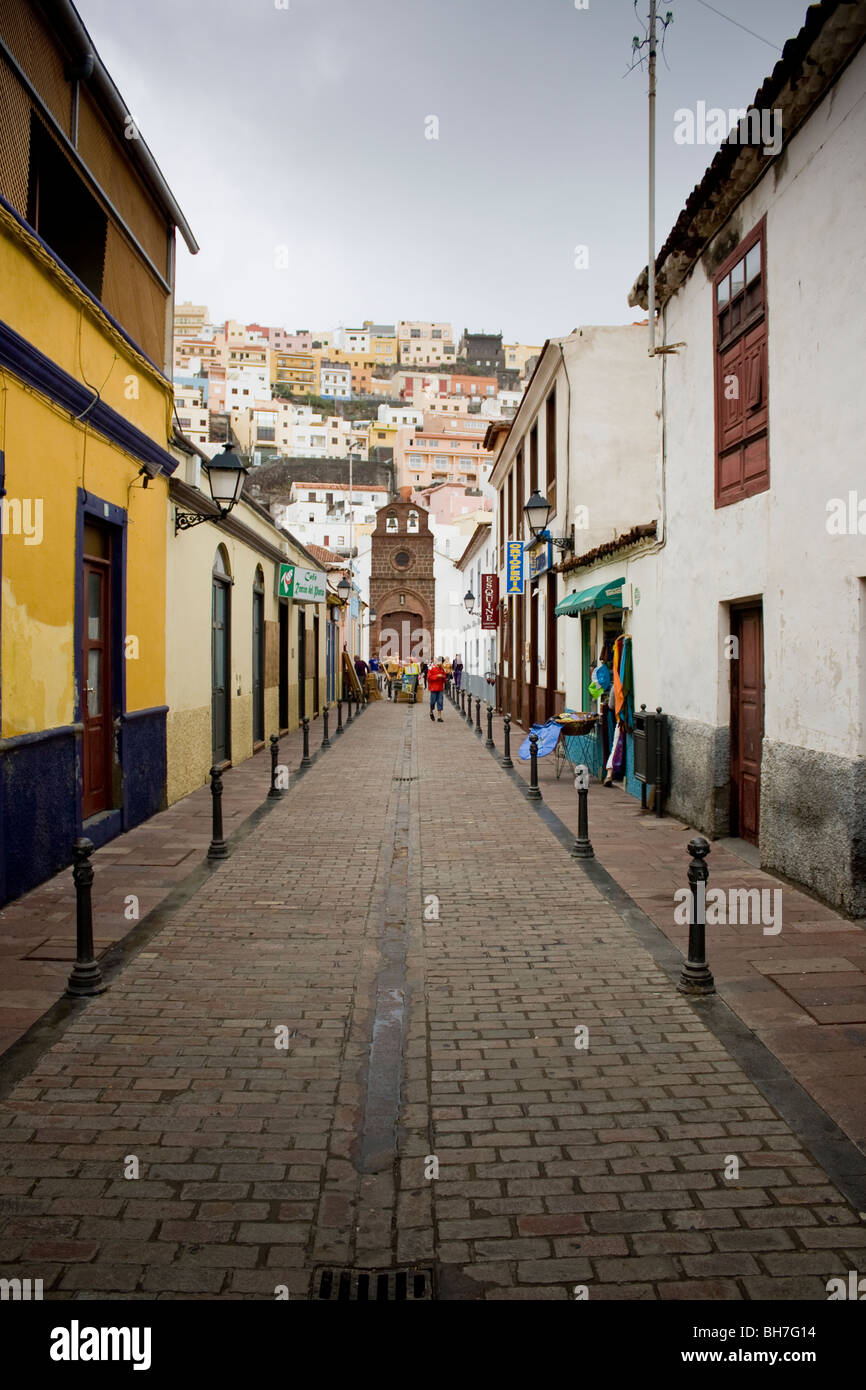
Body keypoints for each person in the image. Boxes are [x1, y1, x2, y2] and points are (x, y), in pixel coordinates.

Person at [427, 656, 446, 722]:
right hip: (433, 688)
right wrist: (437, 676)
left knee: (440, 701)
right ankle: (431, 712)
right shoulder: (431, 667)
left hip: (440, 688)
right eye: (441, 662)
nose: (441, 664)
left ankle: (439, 717)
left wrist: (443, 677)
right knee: (432, 702)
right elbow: (429, 678)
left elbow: (444, 679)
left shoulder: (442, 669)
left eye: (442, 663)